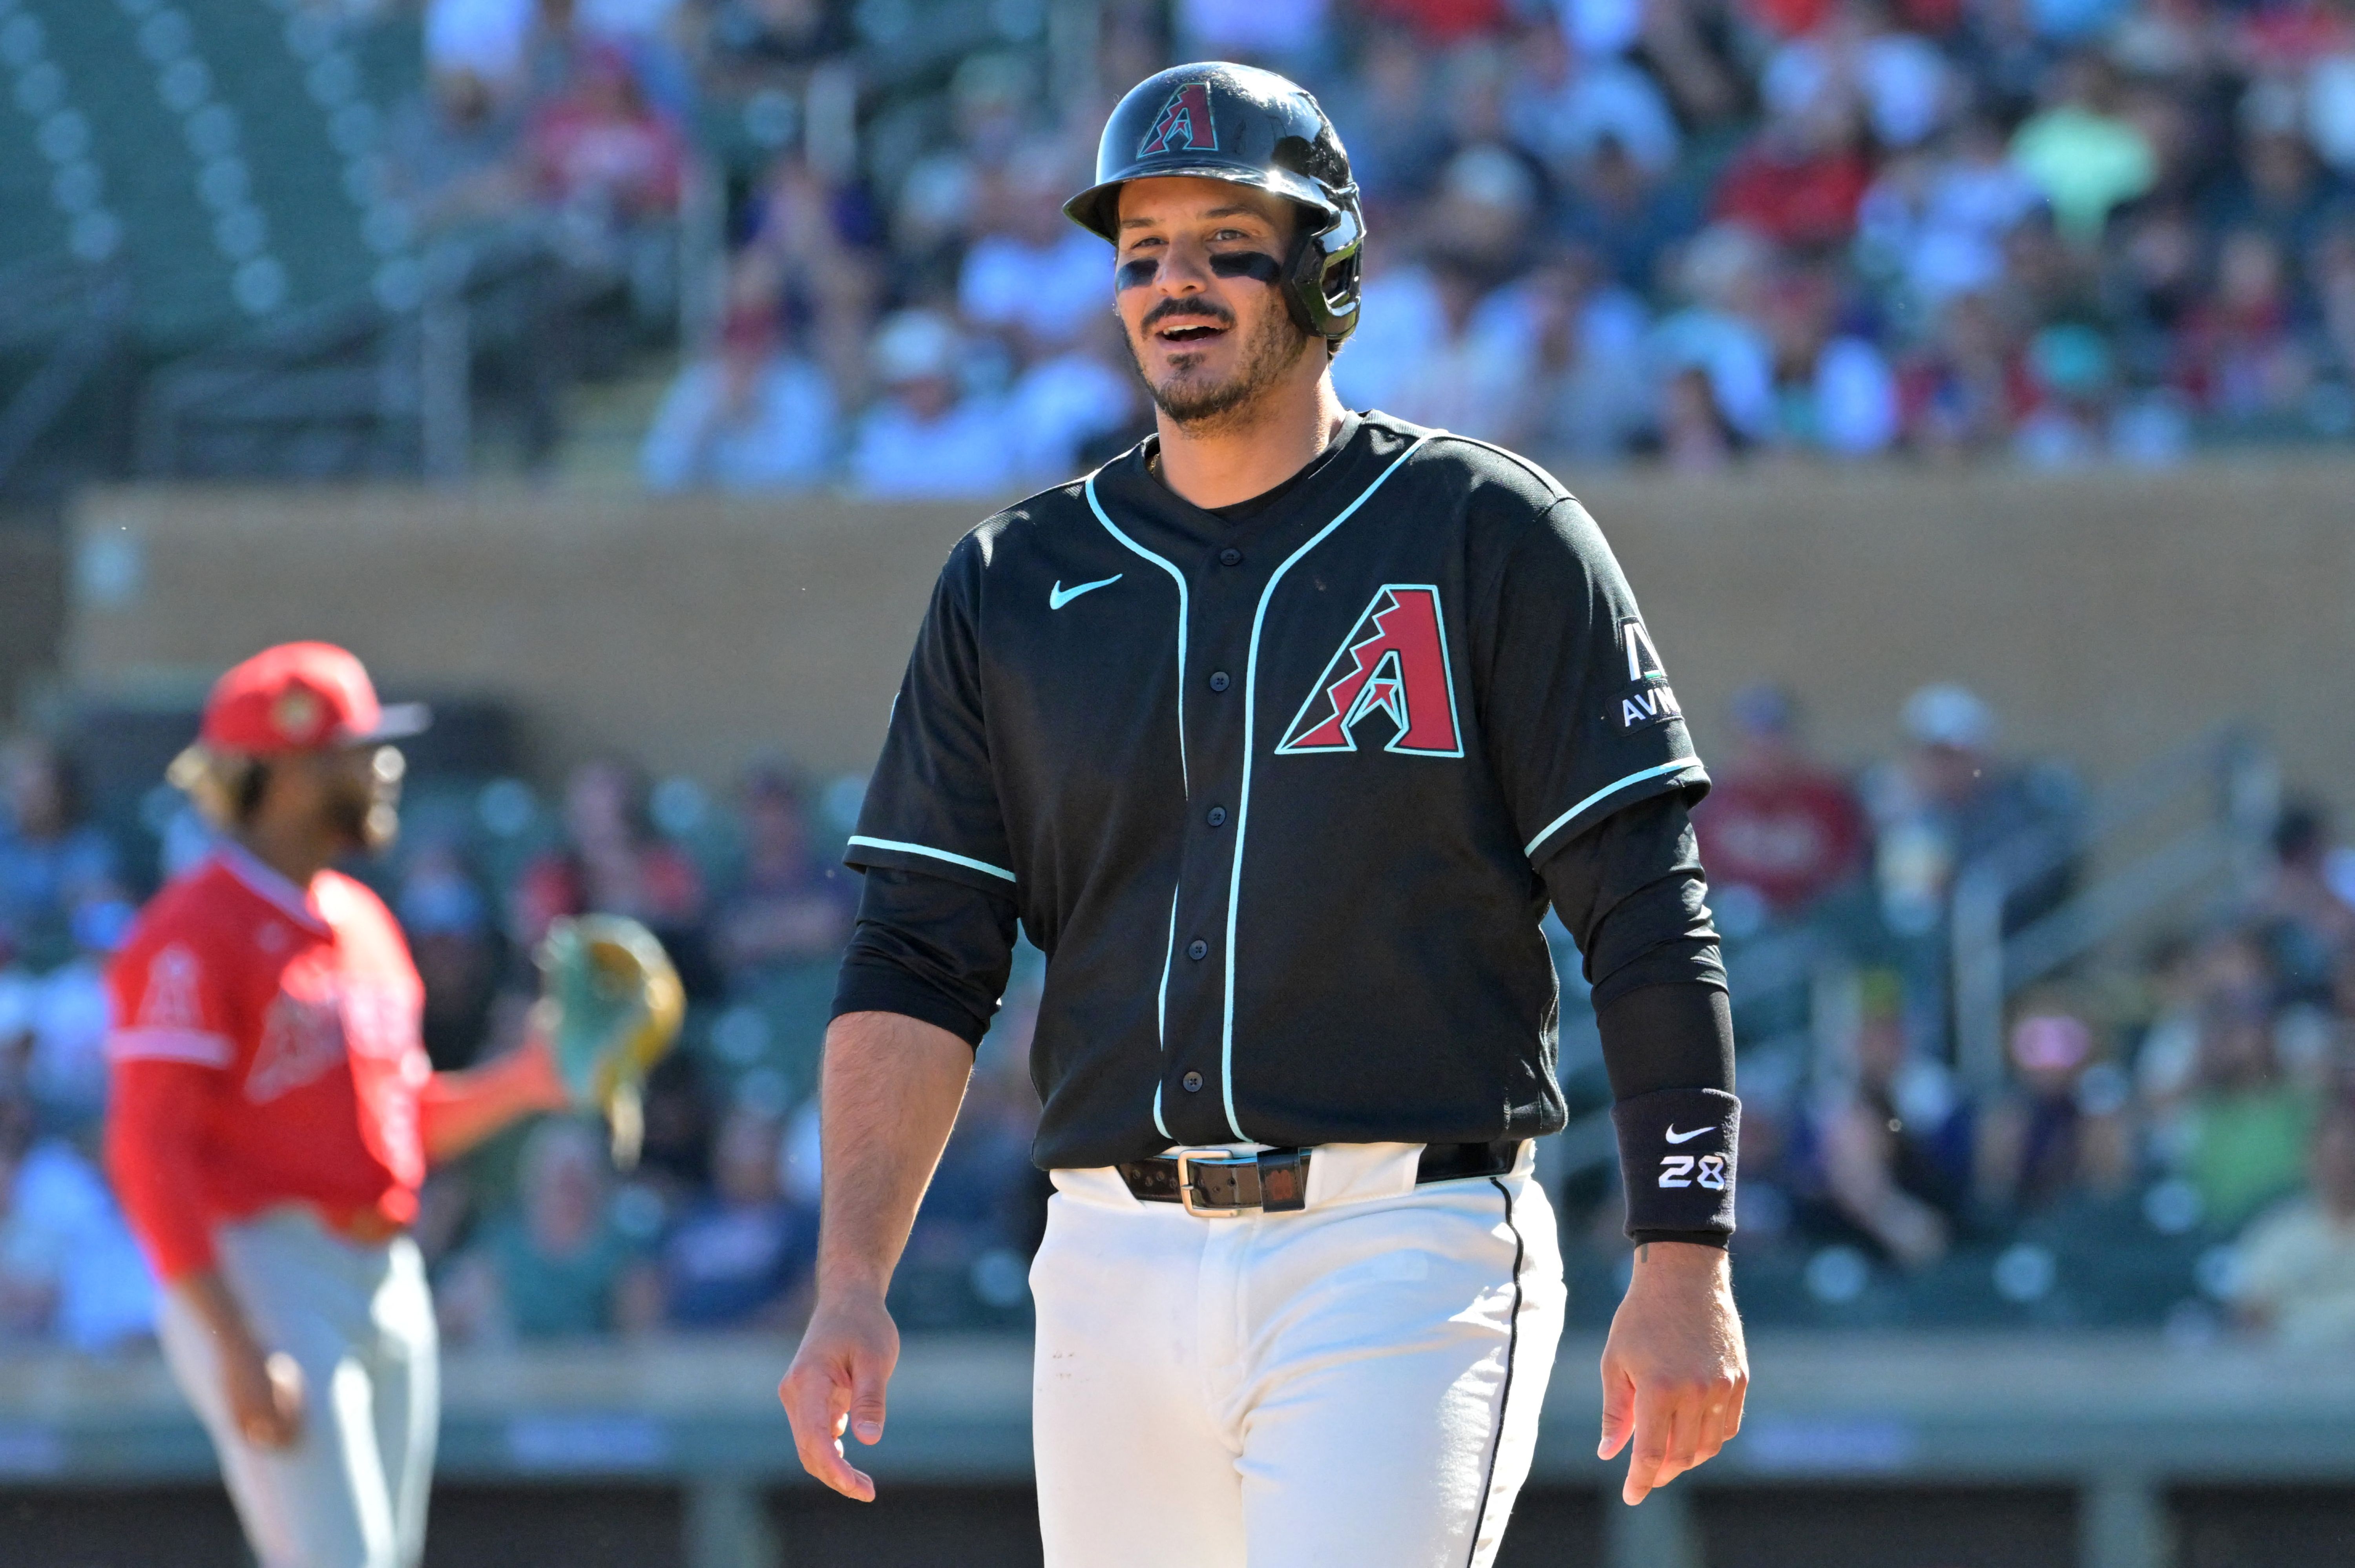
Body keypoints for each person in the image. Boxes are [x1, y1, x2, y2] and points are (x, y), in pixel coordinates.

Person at [779, 63, 1748, 1566]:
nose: (1177, 284)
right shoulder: (1013, 581)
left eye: (1229, 241)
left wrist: (1684, 1264)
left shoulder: (1492, 531)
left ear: (1329, 263)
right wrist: (851, 1277)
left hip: (1397, 1243)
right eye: (1143, 249)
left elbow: (1647, 907)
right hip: (1106, 1253)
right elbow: (918, 950)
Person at [103, 643, 576, 1568]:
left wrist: (528, 1080)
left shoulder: (362, 917)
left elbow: (403, 1126)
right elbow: (147, 1153)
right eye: (356, 748)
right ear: (281, 774)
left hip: (386, 1271)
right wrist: (229, 1338)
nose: (384, 767)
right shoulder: (191, 933)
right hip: (266, 1271)